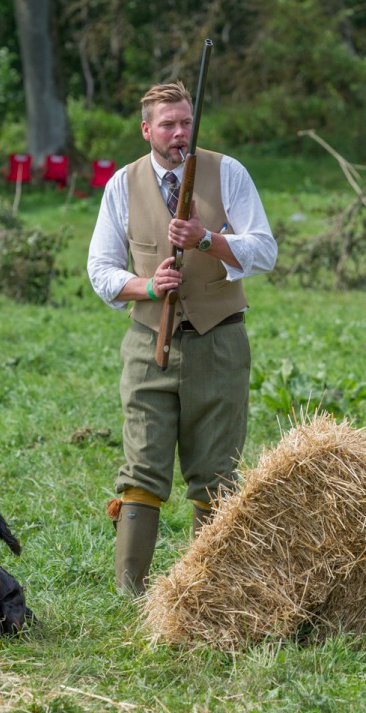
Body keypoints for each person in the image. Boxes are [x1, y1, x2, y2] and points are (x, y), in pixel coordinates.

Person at [87, 80, 278, 595]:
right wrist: (146, 285)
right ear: (146, 129)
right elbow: (100, 270)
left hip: (220, 343)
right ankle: (130, 598)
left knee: (217, 475)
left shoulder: (228, 172)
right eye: (167, 124)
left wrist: (208, 240)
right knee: (141, 473)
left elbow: (265, 251)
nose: (178, 132)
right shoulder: (121, 185)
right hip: (150, 344)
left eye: (185, 122)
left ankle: (204, 596)